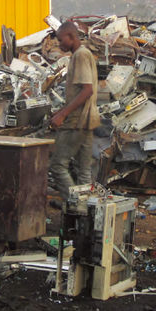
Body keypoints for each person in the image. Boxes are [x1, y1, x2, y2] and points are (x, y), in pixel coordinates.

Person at [49, 21, 101, 199]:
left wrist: (63, 114)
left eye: (61, 40)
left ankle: (75, 204)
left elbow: (87, 90)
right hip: (87, 120)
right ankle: (85, 214)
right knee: (84, 171)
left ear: (71, 37)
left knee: (57, 166)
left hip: (77, 122)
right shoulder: (82, 54)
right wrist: (59, 112)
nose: (59, 44)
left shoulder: (80, 55)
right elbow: (80, 92)